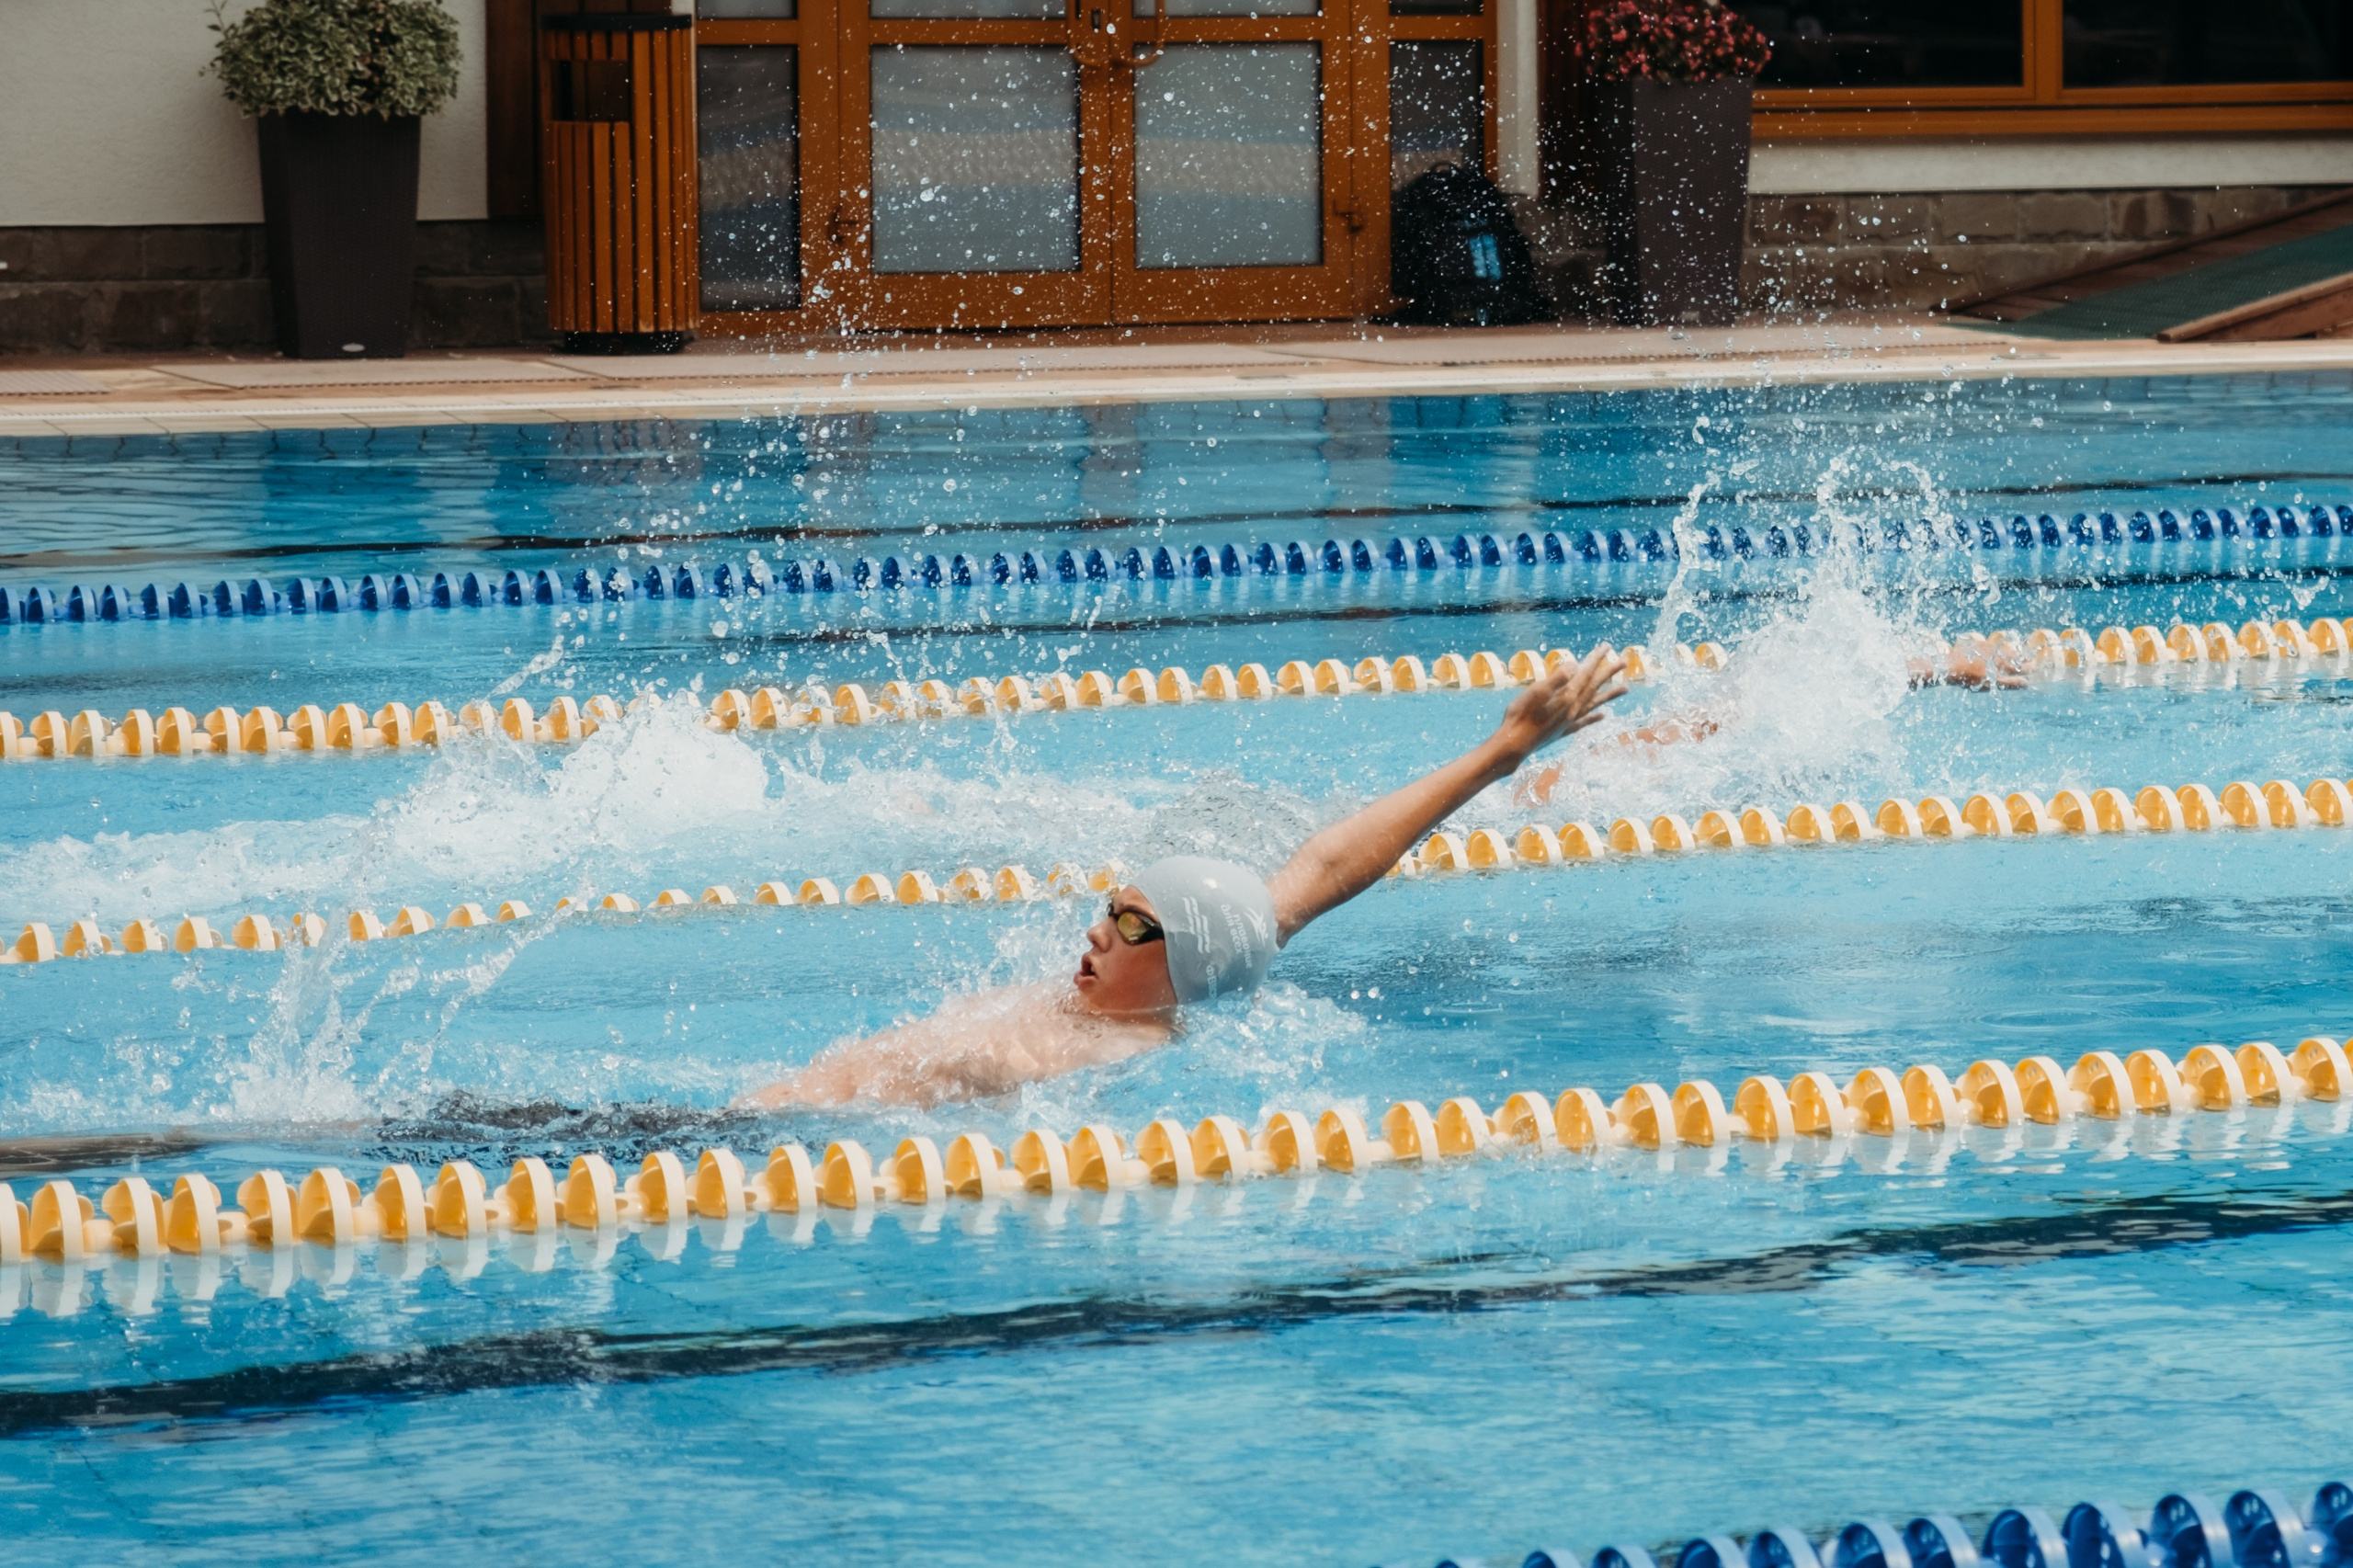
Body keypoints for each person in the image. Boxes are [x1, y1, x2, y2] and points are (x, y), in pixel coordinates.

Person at [747, 645, 1631, 1108]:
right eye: (1109, 911)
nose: (1096, 932)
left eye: (1133, 926)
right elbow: (1322, 869)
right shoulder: (1203, 964)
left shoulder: (1085, 1054)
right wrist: (1502, 750)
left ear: (1186, 966)